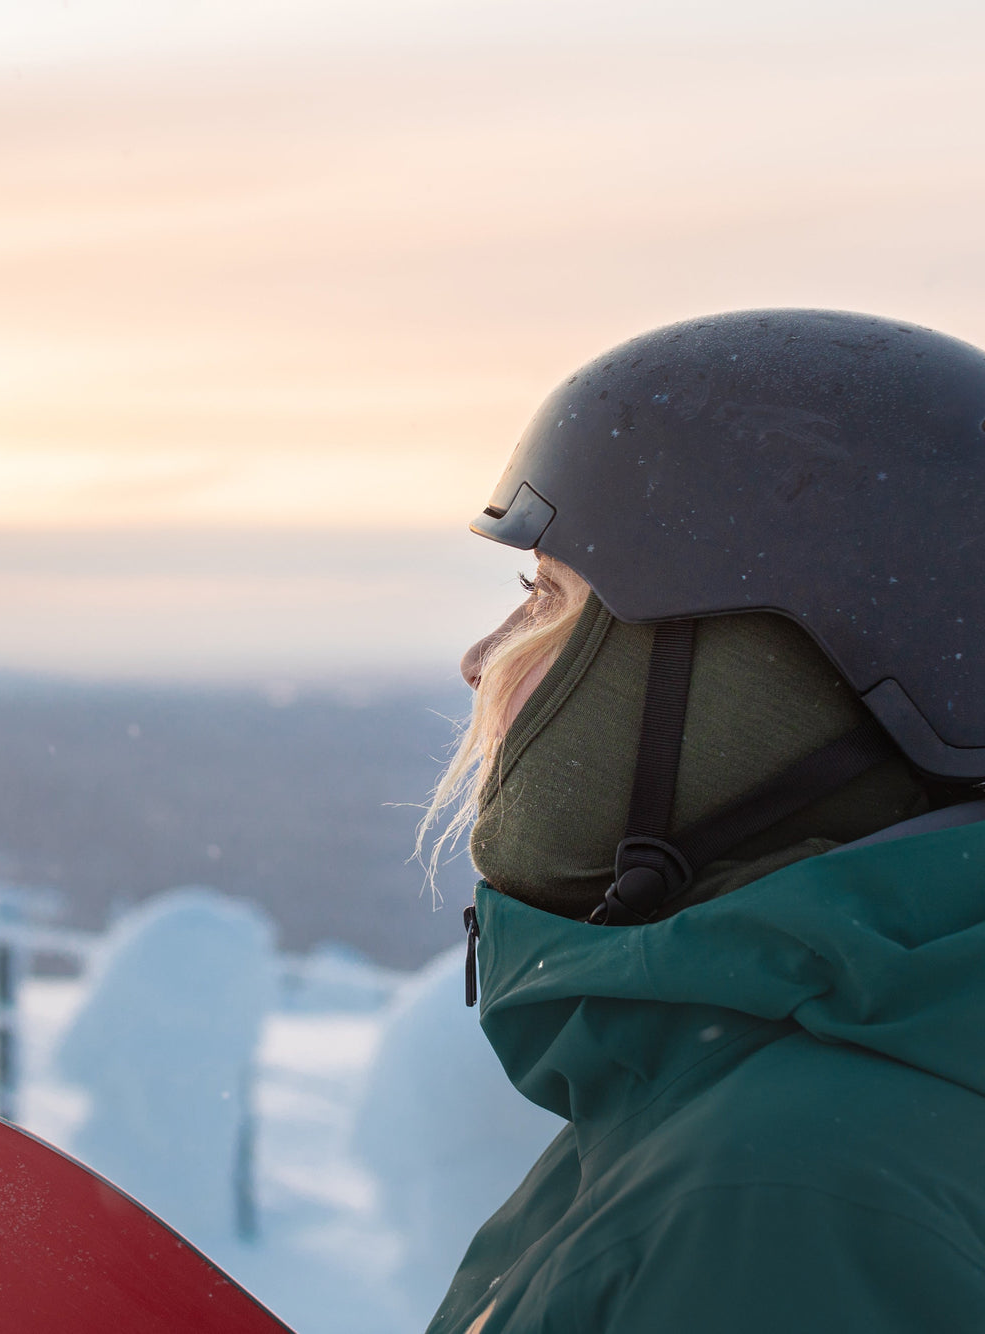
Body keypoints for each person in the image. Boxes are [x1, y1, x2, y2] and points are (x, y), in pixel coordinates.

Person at [419, 309, 985, 1333]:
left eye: (547, 595)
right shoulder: (741, 1092)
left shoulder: (789, 1196)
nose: (484, 657)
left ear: (754, 686)